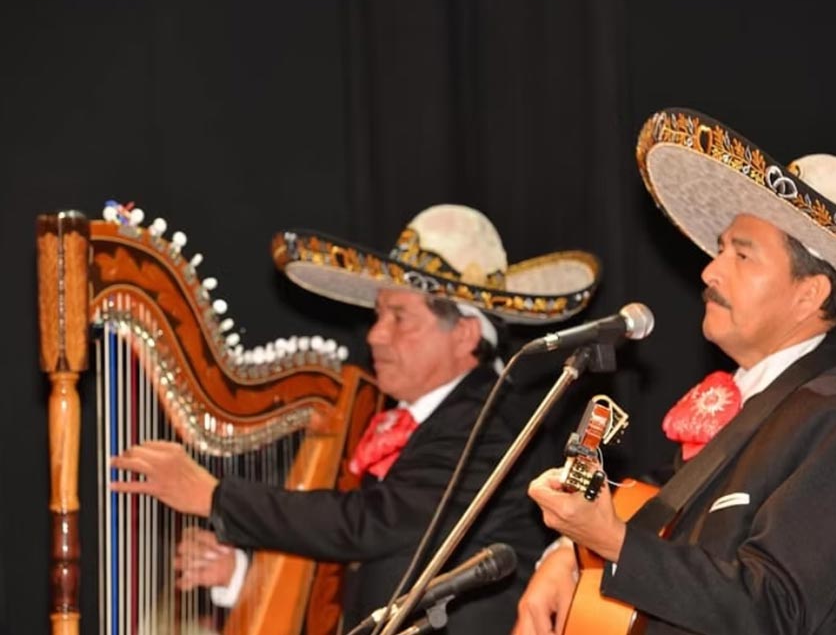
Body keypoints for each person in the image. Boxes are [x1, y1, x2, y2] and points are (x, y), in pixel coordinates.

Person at [513, 108, 836, 635]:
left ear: (810, 294)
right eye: (721, 250)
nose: (710, 271)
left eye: (742, 256)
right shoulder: (767, 401)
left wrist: (611, 542)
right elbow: (657, 503)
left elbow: (775, 609)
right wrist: (566, 554)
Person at [109, 204, 601, 634]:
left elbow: (371, 523)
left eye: (399, 317)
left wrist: (215, 495)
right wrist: (240, 576)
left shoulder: (491, 423)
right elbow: (371, 572)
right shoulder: (403, 423)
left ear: (464, 334)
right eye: (378, 316)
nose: (375, 335)